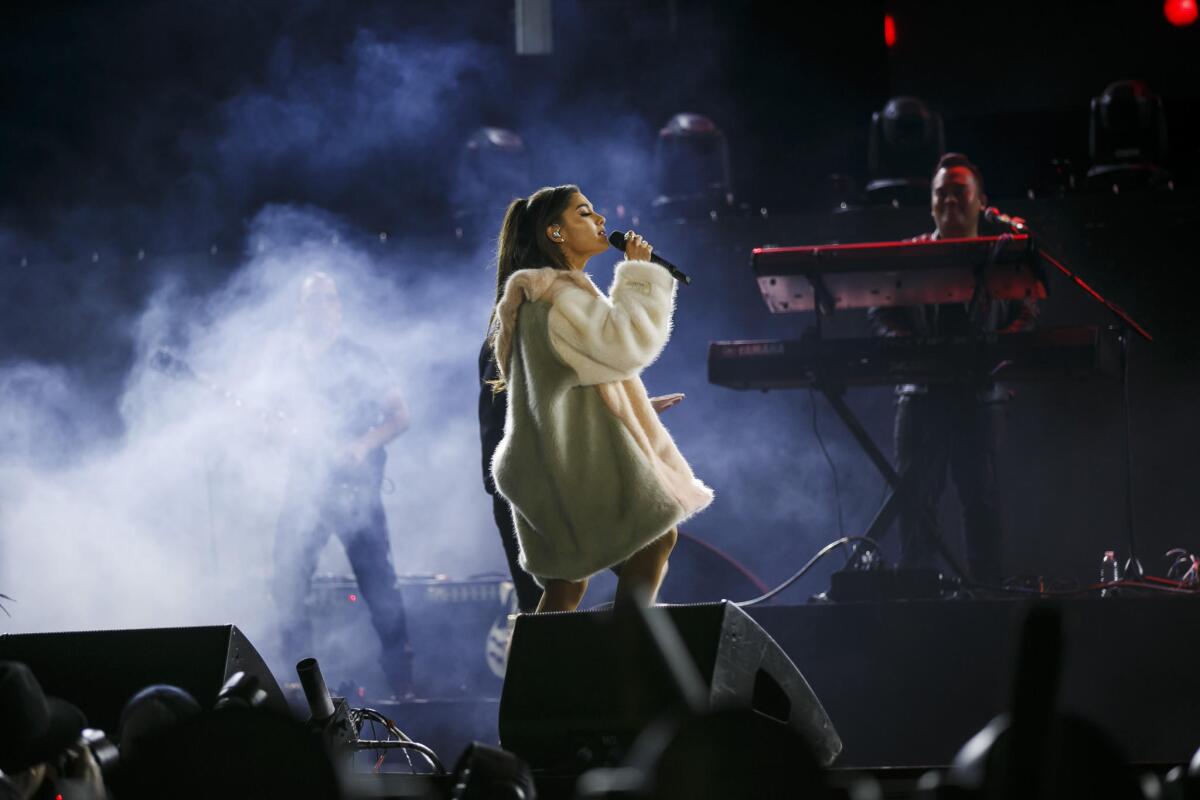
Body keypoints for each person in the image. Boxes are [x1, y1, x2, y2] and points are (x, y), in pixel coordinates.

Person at [487, 184, 713, 613]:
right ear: (555, 233)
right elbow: (624, 343)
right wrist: (640, 275)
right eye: (585, 214)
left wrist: (637, 406)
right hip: (568, 466)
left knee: (565, 587)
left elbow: (571, 381)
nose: (601, 222)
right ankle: (626, 653)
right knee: (657, 535)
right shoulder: (557, 299)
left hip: (545, 465)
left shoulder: (544, 299)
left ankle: (538, 678)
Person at [868, 153, 1038, 586]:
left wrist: (997, 350)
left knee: (981, 500)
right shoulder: (910, 255)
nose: (949, 200)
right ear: (930, 204)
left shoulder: (1004, 255)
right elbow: (879, 308)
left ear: (982, 201)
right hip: (921, 395)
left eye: (959, 191)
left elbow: (1028, 310)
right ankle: (917, 594)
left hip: (981, 396)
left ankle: (986, 595)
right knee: (916, 500)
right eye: (940, 192)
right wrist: (915, 348)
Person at [271, 271, 413, 696]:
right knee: (287, 579)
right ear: (301, 310)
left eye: (329, 299)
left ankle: (404, 686)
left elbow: (400, 416)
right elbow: (273, 422)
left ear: (338, 307)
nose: (322, 307)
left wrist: (361, 445)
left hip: (355, 490)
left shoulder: (360, 357)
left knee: (378, 585)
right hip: (306, 487)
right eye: (313, 300)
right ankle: (300, 687)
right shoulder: (288, 363)